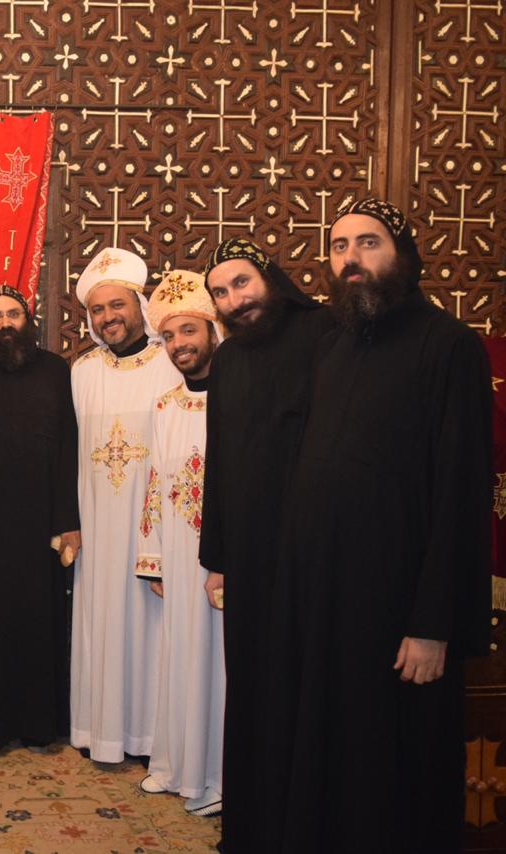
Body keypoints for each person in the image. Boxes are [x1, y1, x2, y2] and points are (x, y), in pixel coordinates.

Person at [260, 198, 492, 852]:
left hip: (399, 613)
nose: (350, 259)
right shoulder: (335, 346)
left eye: (367, 243)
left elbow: (460, 493)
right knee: (328, 756)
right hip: (326, 600)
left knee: (390, 772)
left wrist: (432, 623)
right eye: (338, 247)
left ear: (402, 255)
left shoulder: (449, 346)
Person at [199, 237, 334, 851]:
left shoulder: (325, 333)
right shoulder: (227, 361)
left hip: (316, 548)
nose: (234, 300)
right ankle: (253, 827)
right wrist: (217, 559)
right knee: (253, 687)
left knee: (309, 687)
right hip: (251, 554)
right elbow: (220, 462)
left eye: (242, 283)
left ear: (272, 279)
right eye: (221, 293)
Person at [68, 248, 180, 764]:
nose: (108, 317)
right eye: (97, 311)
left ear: (139, 305)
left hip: (157, 525)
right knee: (103, 626)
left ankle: (153, 738)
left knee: (154, 629)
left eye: (117, 305)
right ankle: (105, 732)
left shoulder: (172, 363)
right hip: (99, 527)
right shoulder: (82, 371)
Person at [0, 285, 78, 750]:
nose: (5, 323)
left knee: (38, 621)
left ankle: (37, 724)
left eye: (13, 314)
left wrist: (67, 519)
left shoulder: (55, 372)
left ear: (27, 321)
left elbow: (68, 448)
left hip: (41, 523)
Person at [134, 269, 224, 817]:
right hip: (180, 555)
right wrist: (154, 559)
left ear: (213, 332)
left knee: (220, 664)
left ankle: (217, 774)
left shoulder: (241, 398)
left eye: (188, 331)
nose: (179, 345)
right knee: (182, 659)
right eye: (169, 336)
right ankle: (176, 764)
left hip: (224, 558)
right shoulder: (166, 406)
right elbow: (155, 481)